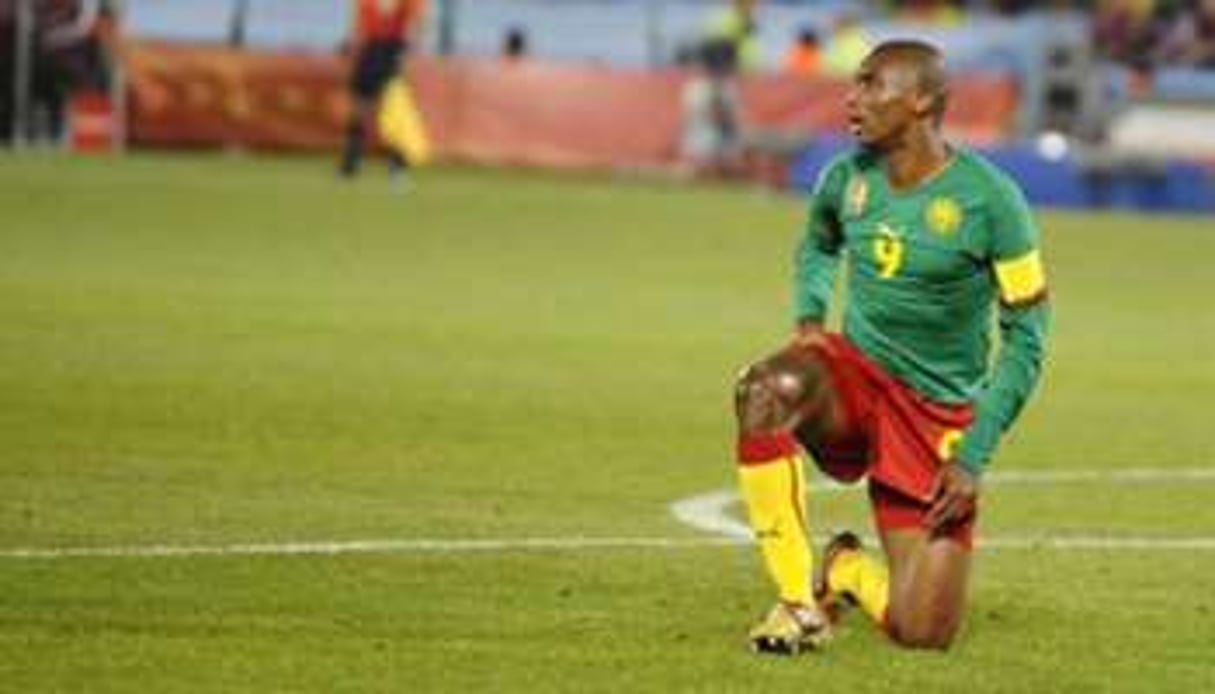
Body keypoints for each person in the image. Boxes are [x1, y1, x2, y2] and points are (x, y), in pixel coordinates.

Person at [733, 39, 1050, 655]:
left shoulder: (992, 200)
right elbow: (820, 242)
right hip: (853, 383)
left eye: (872, 85)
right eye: (854, 83)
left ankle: (844, 570)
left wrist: (974, 456)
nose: (852, 99)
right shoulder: (844, 177)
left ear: (924, 101)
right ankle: (799, 601)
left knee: (924, 632)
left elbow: (1026, 340)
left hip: (933, 416)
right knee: (766, 388)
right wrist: (809, 317)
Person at [339, 0, 426, 178]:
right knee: (360, 109)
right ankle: (351, 162)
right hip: (370, 50)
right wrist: (352, 44)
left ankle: (398, 163)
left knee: (393, 112)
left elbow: (416, 25)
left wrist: (409, 50)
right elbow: (358, 25)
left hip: (394, 51)